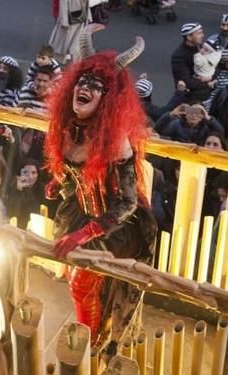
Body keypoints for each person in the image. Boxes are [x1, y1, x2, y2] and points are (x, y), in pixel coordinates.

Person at [45, 26, 156, 344]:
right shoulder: (68, 128)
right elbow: (75, 176)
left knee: (81, 281)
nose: (86, 88)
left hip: (114, 226)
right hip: (80, 212)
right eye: (83, 80)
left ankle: (90, 339)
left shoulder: (116, 142)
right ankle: (91, 325)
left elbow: (127, 203)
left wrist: (86, 233)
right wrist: (60, 184)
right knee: (73, 275)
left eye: (96, 86)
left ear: (107, 99)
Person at [171, 22, 213, 104]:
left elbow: (215, 66)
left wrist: (209, 77)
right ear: (189, 37)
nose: (203, 35)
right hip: (190, 99)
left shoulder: (203, 48)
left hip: (207, 96)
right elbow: (187, 81)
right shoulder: (179, 56)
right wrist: (207, 83)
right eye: (199, 33)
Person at [154, 103, 224, 145]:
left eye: (197, 113)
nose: (193, 116)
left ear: (202, 117)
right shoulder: (177, 124)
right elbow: (158, 129)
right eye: (191, 112)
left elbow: (220, 132)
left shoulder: (207, 127)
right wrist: (172, 114)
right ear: (186, 115)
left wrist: (208, 117)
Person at [7, 160, 44, 228]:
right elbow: (12, 214)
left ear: (38, 174)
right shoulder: (14, 188)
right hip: (19, 229)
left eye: (33, 172)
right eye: (25, 172)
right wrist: (18, 190)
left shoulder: (43, 189)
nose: (30, 176)